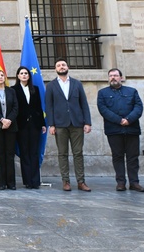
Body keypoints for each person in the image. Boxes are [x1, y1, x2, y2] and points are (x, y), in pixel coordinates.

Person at [45, 58, 92, 192]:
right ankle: (65, 181)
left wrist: (87, 122)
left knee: (78, 153)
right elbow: (49, 107)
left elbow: (84, 104)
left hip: (77, 123)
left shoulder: (77, 84)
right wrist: (51, 125)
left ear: (67, 67)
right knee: (62, 153)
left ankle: (81, 181)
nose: (61, 67)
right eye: (58, 65)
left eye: (63, 65)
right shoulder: (51, 86)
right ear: (55, 69)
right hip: (60, 125)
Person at [97, 68, 144, 192]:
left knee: (133, 157)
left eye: (116, 75)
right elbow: (103, 110)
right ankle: (121, 183)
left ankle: (134, 182)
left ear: (121, 78)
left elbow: (138, 107)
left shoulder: (132, 91)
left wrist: (128, 119)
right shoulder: (102, 93)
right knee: (117, 157)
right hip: (114, 130)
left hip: (132, 129)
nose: (113, 77)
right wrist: (119, 120)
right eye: (111, 76)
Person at [12, 66, 46, 189]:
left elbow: (39, 107)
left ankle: (35, 180)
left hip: (34, 125)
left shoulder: (35, 89)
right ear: (18, 76)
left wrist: (42, 123)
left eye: (26, 73)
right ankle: (27, 181)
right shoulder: (14, 89)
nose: (24, 75)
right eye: (22, 73)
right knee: (24, 153)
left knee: (34, 152)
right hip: (21, 125)